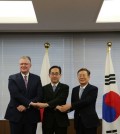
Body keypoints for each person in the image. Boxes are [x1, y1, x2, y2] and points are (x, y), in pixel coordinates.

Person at [4, 56, 43, 134]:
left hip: (31, 115)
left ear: (30, 65)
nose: (23, 66)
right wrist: (29, 103)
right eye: (21, 64)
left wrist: (26, 105)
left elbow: (39, 96)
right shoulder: (12, 78)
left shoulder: (37, 78)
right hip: (16, 113)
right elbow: (15, 94)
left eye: (26, 64)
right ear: (19, 65)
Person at [56, 68, 100, 134]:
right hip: (78, 122)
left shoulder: (93, 89)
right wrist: (64, 109)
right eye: (79, 75)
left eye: (84, 75)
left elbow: (86, 101)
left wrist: (70, 105)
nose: (81, 77)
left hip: (90, 122)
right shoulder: (75, 89)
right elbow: (74, 104)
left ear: (88, 77)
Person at [31, 65, 69, 134]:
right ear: (49, 75)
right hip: (47, 120)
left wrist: (47, 104)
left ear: (60, 75)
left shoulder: (65, 87)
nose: (54, 76)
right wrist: (56, 106)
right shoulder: (44, 88)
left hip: (61, 120)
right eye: (52, 73)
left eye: (56, 74)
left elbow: (60, 99)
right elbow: (43, 100)